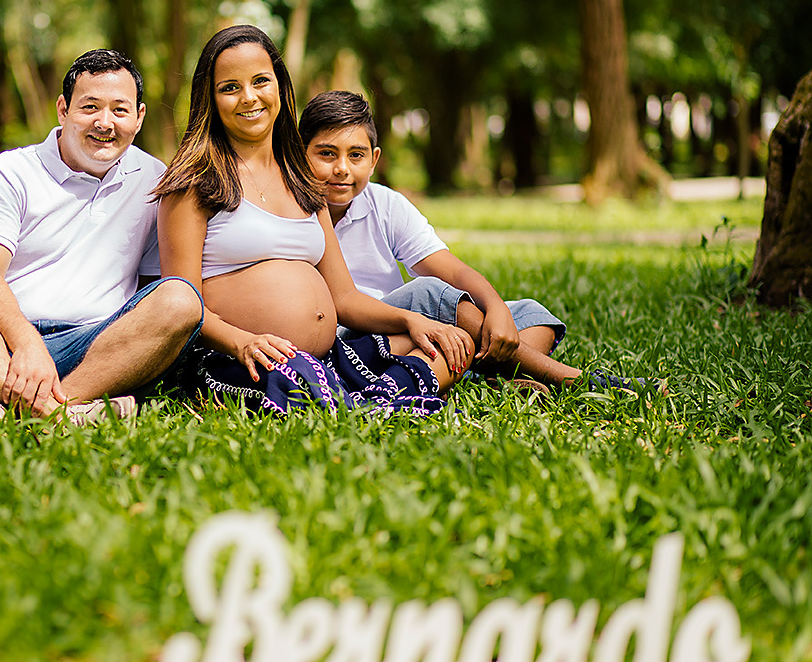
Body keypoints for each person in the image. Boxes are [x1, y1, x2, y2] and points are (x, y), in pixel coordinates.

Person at [153, 25, 473, 414]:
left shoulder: (301, 179)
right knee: (297, 378)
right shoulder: (194, 182)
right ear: (210, 98)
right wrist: (241, 341)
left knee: (450, 341)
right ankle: (368, 397)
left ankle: (352, 396)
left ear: (280, 89)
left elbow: (344, 298)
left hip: (329, 353)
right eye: (230, 87)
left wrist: (409, 321)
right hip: (243, 358)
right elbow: (182, 307)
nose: (249, 97)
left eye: (260, 81)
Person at [0, 49, 203, 425]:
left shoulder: (156, 180)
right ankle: (73, 412)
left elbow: (150, 286)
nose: (105, 123)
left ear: (139, 117)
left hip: (96, 344)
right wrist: (26, 343)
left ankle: (13, 406)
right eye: (90, 107)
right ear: (63, 109)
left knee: (181, 300)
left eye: (120, 111)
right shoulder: (4, 173)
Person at [297, 89, 664, 395]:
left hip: (410, 325)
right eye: (327, 154)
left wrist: (495, 306)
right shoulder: (295, 210)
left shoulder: (384, 204)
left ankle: (495, 377)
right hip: (353, 337)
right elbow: (347, 302)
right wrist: (414, 319)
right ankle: (573, 380)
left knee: (531, 316)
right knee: (428, 292)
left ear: (374, 160)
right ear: (299, 154)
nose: (342, 168)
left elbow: (451, 267)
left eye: (355, 155)